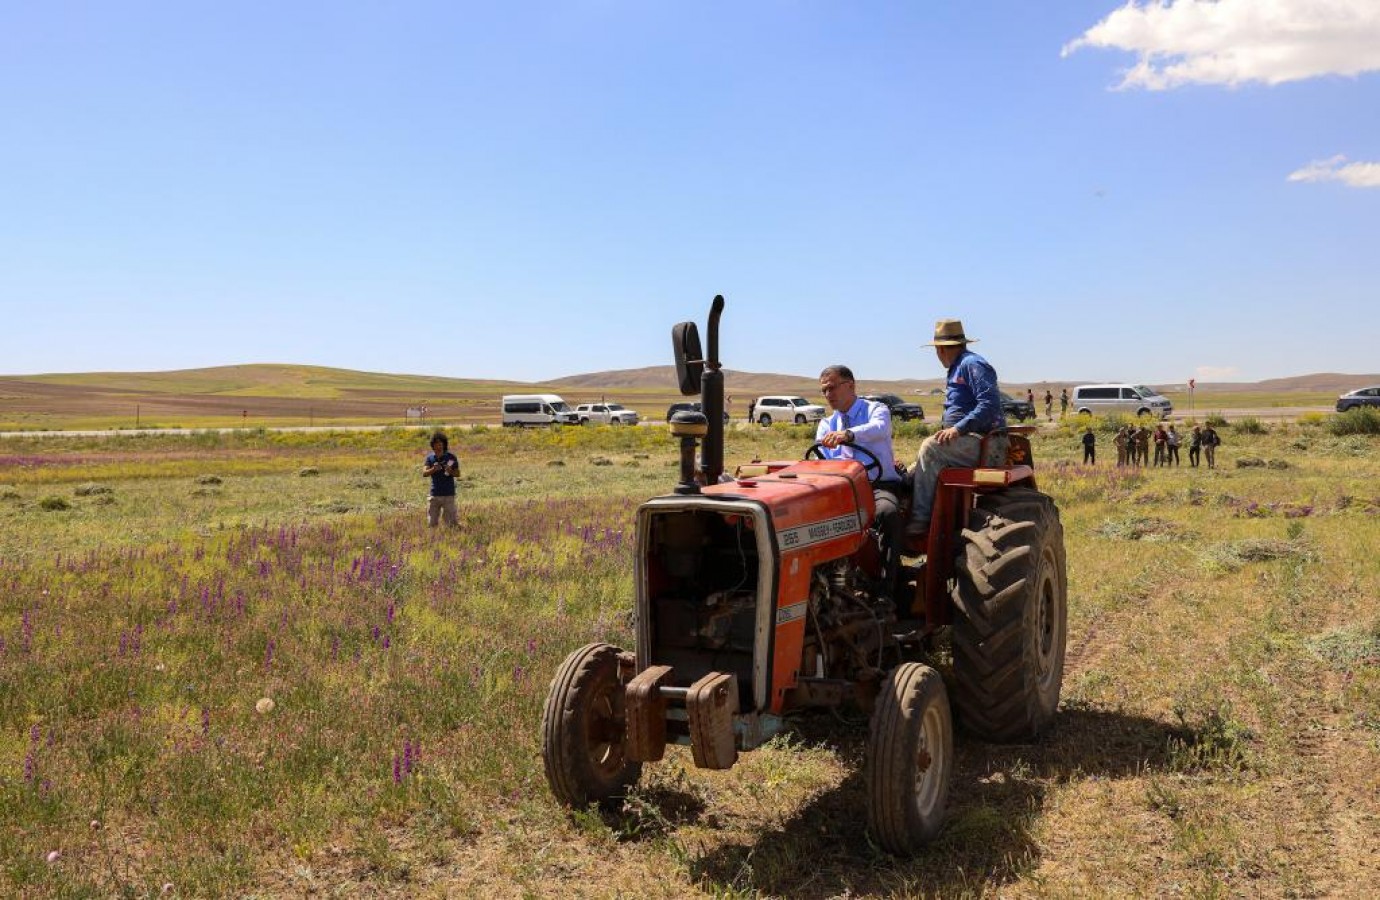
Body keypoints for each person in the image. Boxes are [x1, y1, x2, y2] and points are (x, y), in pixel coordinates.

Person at [905, 320, 1007, 545]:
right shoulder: (959, 366)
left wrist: (957, 428)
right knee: (908, 474)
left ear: (940, 350)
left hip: (987, 444)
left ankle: (921, 521)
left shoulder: (973, 364)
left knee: (931, 449)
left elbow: (989, 404)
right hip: (967, 442)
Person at [816, 365, 903, 588]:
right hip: (841, 490)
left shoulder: (875, 410)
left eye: (832, 388)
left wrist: (849, 435)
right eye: (824, 390)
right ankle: (825, 584)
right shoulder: (826, 424)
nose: (828, 395)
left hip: (877, 484)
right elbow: (821, 460)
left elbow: (880, 428)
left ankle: (887, 589)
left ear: (850, 385)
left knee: (887, 513)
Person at [422, 431, 460, 527]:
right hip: (434, 495)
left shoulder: (451, 458)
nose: (438, 447)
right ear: (432, 446)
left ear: (444, 445)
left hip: (448, 495)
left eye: (440, 444)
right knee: (432, 523)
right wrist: (433, 469)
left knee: (451, 523)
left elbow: (458, 473)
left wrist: (450, 471)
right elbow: (424, 473)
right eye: (436, 445)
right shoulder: (430, 458)